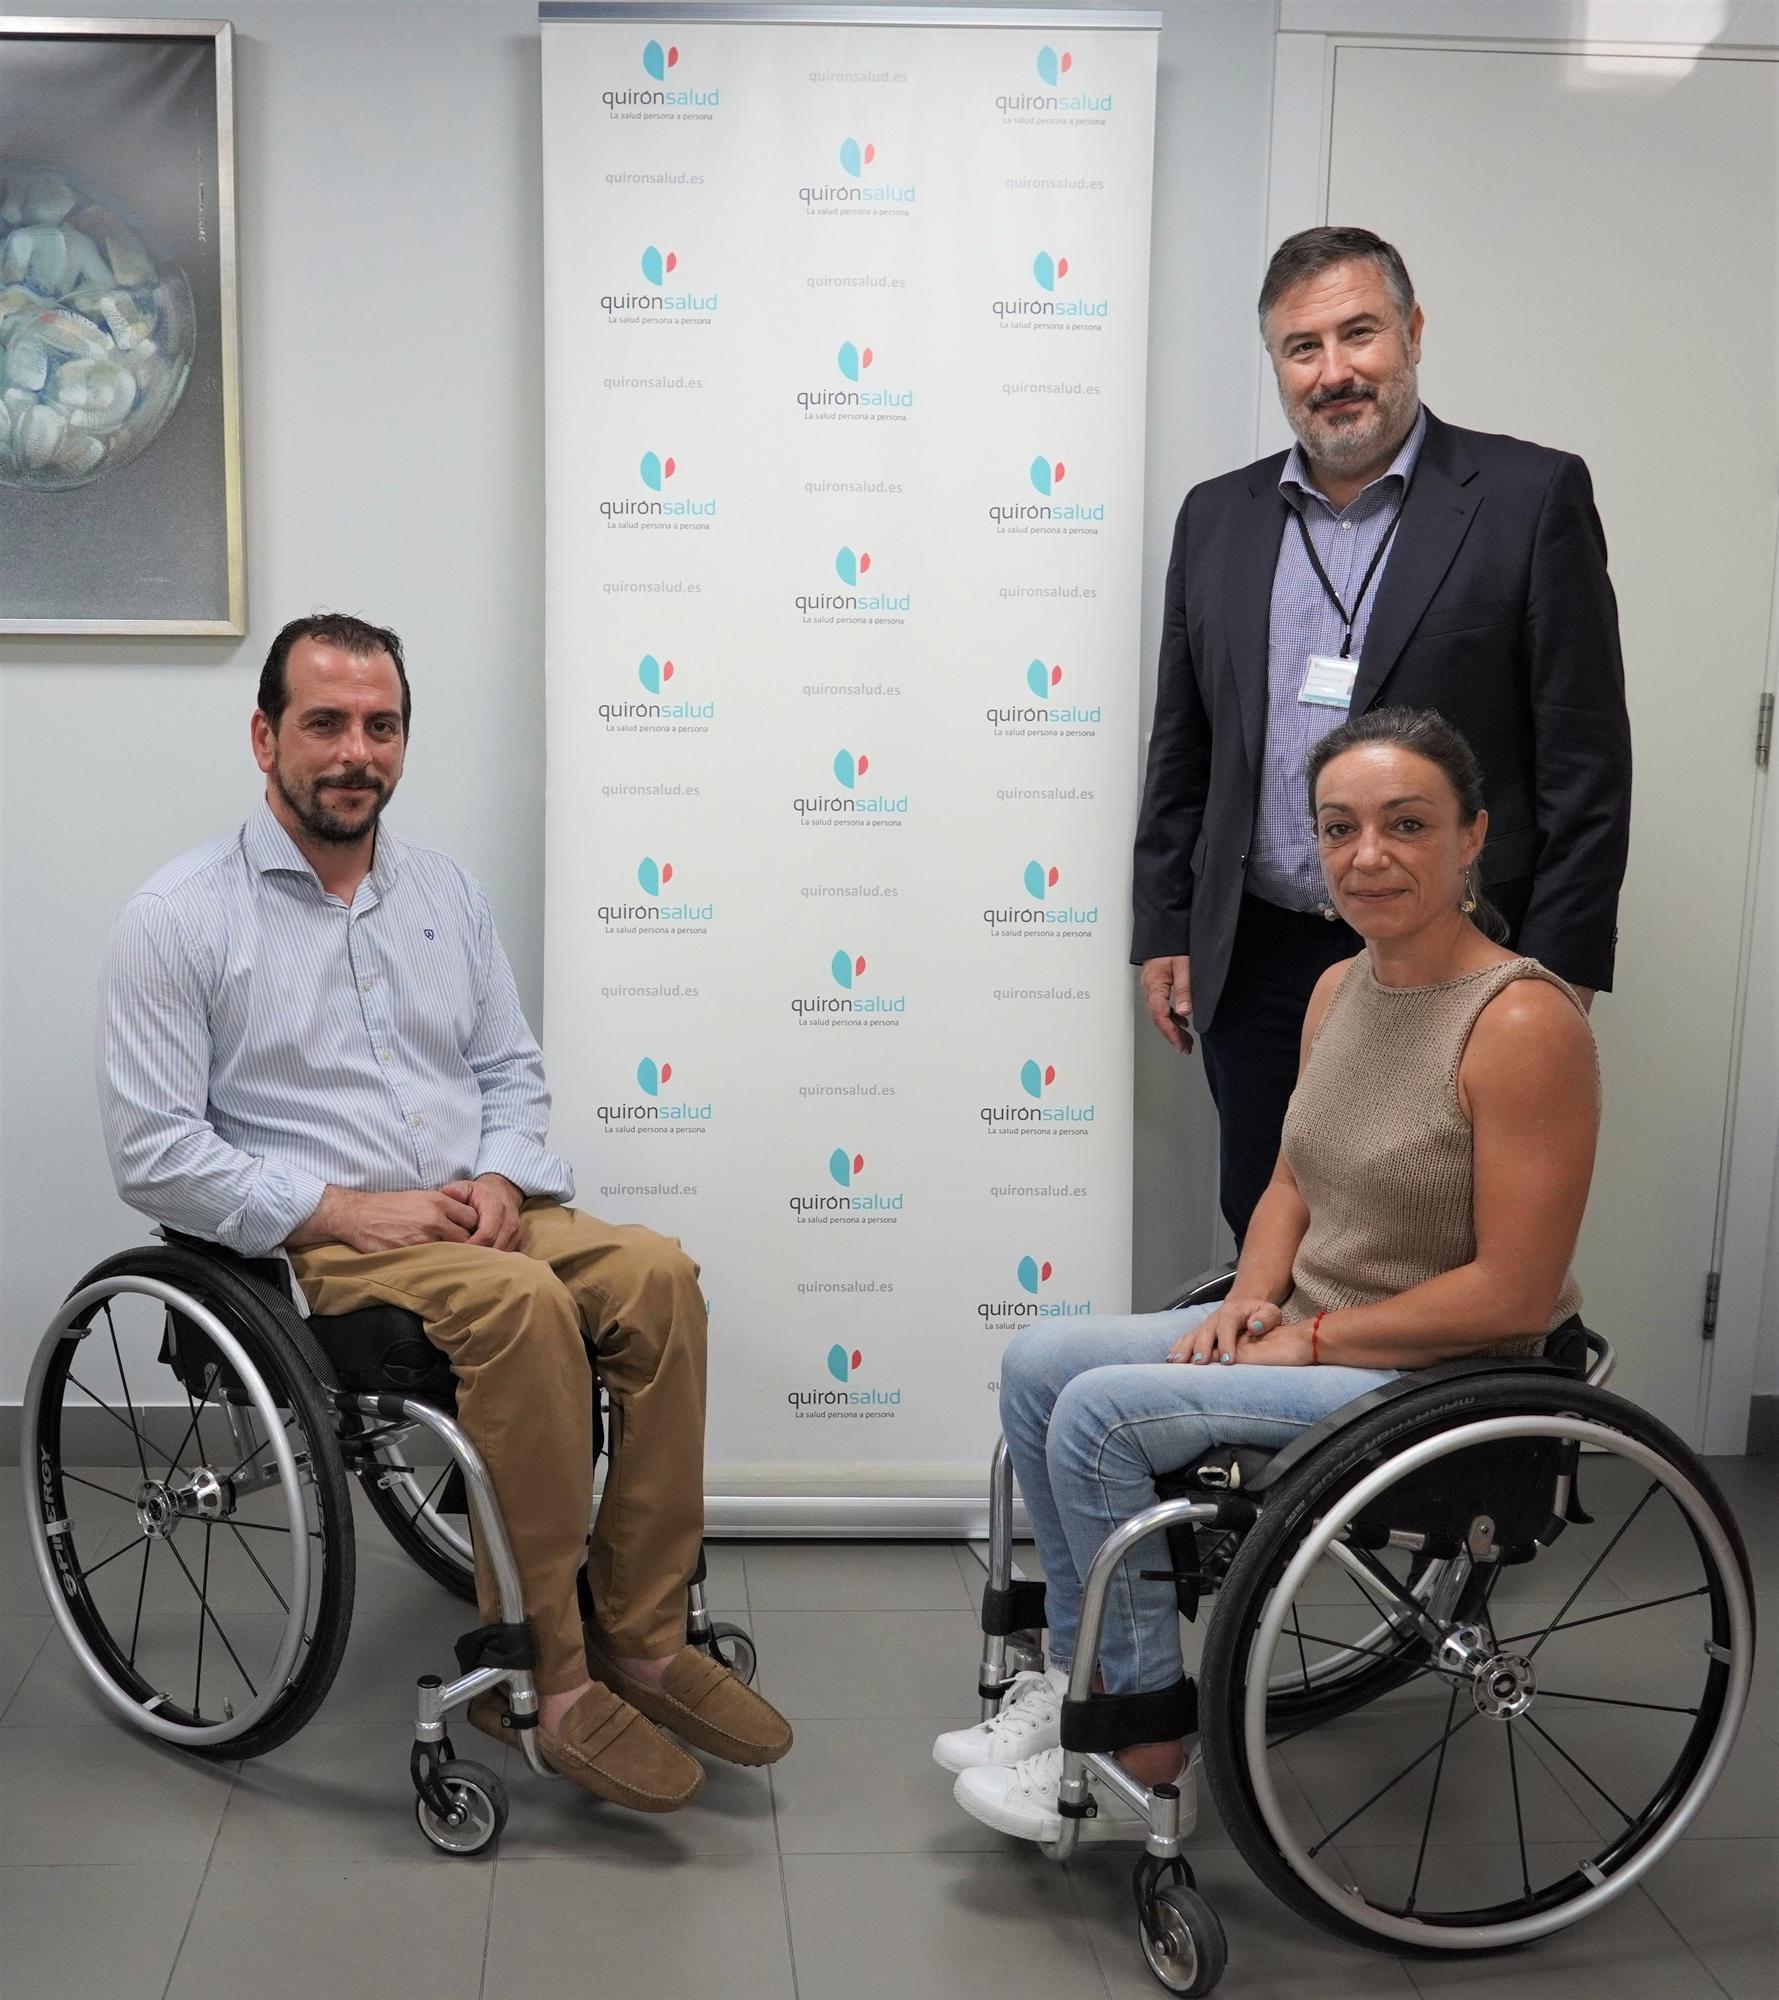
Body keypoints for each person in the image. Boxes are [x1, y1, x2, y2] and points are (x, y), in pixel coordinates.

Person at [97, 610, 792, 1812]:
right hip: (323, 1248)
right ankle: (557, 1679)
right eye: (324, 723)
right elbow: (154, 1151)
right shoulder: (179, 916)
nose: (354, 750)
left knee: (658, 1277)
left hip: (480, 1214)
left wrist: (505, 1177)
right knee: (523, 1306)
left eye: (381, 725)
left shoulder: (445, 896)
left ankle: (642, 1631)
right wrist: (341, 1208)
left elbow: (512, 1073)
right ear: (264, 738)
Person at [938, 707, 1599, 1843]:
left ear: (1473, 835)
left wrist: (1316, 1337)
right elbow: (1296, 1171)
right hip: (1319, 1328)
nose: (1368, 855)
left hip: (1451, 1370)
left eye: (1406, 824)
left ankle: (1142, 1736)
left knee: (1100, 1418)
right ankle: (1075, 1672)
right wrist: (1256, 1294)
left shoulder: (1524, 1018)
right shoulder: (1344, 987)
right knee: (1041, 1360)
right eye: (1339, 828)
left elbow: (1514, 1294)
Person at [1132, 225, 1629, 1244]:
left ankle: (1420, 1416)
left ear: (1412, 331)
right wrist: (1167, 925)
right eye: (1301, 347)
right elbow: (1183, 748)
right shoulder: (1216, 517)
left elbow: (1587, 760)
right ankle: (1295, 1410)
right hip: (1261, 957)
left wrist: (1556, 971)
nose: (1333, 371)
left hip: (1455, 959)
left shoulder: (1528, 500)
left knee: (1437, 1249)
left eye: (1359, 333)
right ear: (1276, 363)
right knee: (1267, 1235)